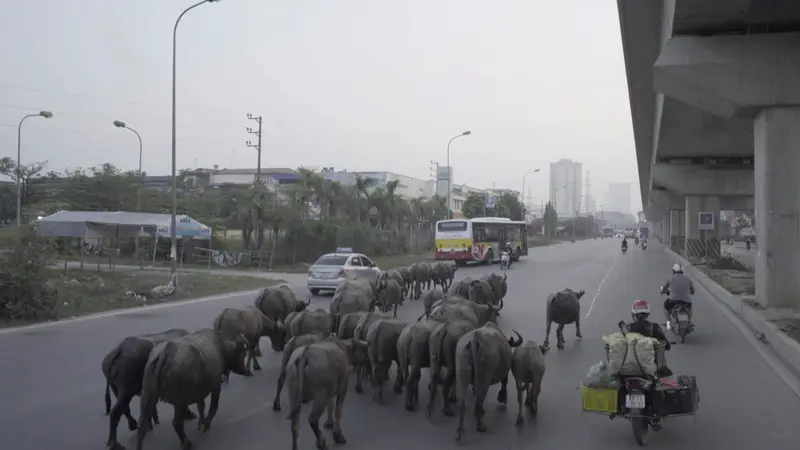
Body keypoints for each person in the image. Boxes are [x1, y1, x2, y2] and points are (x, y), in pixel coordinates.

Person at [626, 300, 673, 377]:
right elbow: (667, 345)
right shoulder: (654, 327)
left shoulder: (628, 328)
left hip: (630, 366)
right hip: (651, 367)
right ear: (647, 314)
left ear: (634, 314)